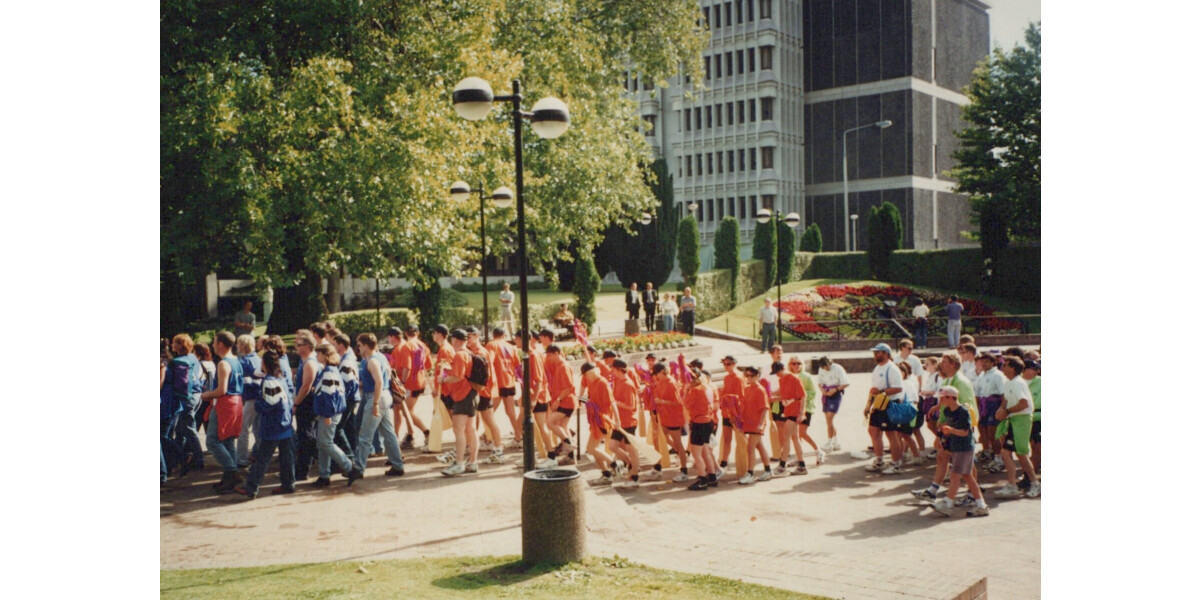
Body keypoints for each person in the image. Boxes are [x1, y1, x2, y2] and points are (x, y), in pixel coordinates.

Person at [233, 351, 296, 499]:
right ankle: (288, 484)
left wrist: (258, 406)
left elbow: (269, 403)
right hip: (285, 422)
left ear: (264, 364)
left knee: (262, 458)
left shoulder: (269, 380)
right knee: (287, 457)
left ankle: (251, 488)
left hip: (274, 424)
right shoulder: (281, 378)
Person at [929, 386, 989, 517]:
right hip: (956, 447)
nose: (941, 401)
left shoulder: (963, 412)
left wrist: (950, 431)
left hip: (964, 447)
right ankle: (981, 505)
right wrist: (943, 436)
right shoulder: (948, 412)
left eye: (943, 398)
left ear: (951, 397)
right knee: (968, 476)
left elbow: (965, 432)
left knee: (955, 475)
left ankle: (948, 503)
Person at [352, 333, 407, 478]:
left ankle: (358, 468)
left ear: (365, 345)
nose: (358, 349)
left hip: (376, 397)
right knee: (388, 433)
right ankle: (397, 465)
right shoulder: (380, 357)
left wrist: (375, 403)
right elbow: (386, 377)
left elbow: (379, 383)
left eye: (359, 346)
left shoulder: (372, 361)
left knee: (365, 435)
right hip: (384, 396)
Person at [199, 331, 245, 493]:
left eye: (214, 342)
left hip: (225, 403)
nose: (212, 345)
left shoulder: (223, 363)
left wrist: (206, 395)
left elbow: (221, 390)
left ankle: (231, 471)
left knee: (212, 440)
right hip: (236, 402)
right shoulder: (236, 361)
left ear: (220, 344)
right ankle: (229, 476)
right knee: (227, 440)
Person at [310, 343, 362, 487]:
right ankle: (324, 475)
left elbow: (329, 395)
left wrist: (326, 414)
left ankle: (350, 468)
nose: (316, 356)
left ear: (325, 355)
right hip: (332, 412)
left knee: (326, 443)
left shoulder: (328, 372)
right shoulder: (331, 370)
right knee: (323, 444)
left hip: (329, 414)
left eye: (318, 353)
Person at [994, 357, 1040, 498]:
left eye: (1006, 365)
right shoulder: (1010, 383)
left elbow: (1024, 403)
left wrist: (1006, 411)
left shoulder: (1017, 383)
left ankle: (1034, 484)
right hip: (1015, 420)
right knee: (1007, 452)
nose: (1003, 367)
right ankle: (1012, 484)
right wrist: (1001, 409)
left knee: (1020, 452)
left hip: (1022, 420)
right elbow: (1006, 399)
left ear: (1013, 368)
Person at [438, 329, 480, 476]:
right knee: (470, 430)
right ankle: (472, 462)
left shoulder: (460, 355)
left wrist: (443, 379)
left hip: (463, 395)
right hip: (472, 394)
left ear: (455, 340)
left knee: (459, 430)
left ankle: (459, 462)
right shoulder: (469, 353)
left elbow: (458, 377)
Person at [863, 343, 904, 474]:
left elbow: (898, 388)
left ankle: (896, 464)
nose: (875, 355)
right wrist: (868, 405)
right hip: (878, 404)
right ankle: (879, 461)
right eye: (875, 352)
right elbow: (873, 389)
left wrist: (881, 391)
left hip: (890, 404)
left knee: (891, 434)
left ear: (886, 353)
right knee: (873, 431)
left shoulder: (892, 368)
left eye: (878, 352)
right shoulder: (877, 368)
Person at [466, 327, 506, 464]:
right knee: (476, 421)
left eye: (469, 337)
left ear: (476, 336)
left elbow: (484, 375)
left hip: (484, 391)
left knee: (489, 420)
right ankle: (474, 447)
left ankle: (498, 449)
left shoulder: (481, 352)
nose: (467, 340)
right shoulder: (474, 351)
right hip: (480, 391)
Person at [169, 334, 206, 477]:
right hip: (197, 397)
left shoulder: (177, 362)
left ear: (180, 345)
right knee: (181, 429)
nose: (172, 345)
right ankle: (179, 457)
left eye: (174, 343)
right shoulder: (193, 359)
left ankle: (198, 459)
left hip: (187, 399)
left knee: (189, 429)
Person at [393, 326, 432, 450]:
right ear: (418, 333)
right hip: (420, 382)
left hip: (410, 384)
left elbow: (407, 367)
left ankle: (426, 432)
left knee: (407, 412)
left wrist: (402, 382)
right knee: (406, 411)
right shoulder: (423, 345)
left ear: (405, 333)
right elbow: (428, 364)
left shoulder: (407, 346)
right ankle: (410, 436)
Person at [580, 363, 619, 485]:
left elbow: (612, 402)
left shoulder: (602, 383)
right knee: (594, 449)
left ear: (591, 372)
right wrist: (581, 400)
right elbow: (592, 399)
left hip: (603, 420)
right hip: (596, 419)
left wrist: (618, 421)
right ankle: (606, 474)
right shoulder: (592, 382)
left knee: (591, 448)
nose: (585, 377)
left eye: (586, 374)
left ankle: (614, 464)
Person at [651, 363, 689, 482]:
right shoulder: (660, 382)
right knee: (659, 438)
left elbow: (678, 402)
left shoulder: (671, 383)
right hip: (665, 416)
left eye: (657, 374)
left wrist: (661, 401)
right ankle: (658, 467)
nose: (656, 376)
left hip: (674, 417)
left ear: (662, 372)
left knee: (678, 443)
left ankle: (684, 470)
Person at [290, 332, 321, 481]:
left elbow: (306, 386)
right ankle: (302, 471)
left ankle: (331, 459)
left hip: (307, 404)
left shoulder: (310, 362)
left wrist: (296, 403)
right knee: (305, 437)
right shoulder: (306, 361)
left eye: (299, 345)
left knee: (307, 436)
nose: (296, 347)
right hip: (306, 403)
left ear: (307, 347)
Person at [737, 365, 773, 485]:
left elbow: (764, 408)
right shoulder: (747, 388)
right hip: (749, 422)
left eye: (752, 376)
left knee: (750, 447)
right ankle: (768, 470)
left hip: (757, 423)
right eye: (747, 375)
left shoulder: (760, 390)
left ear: (757, 376)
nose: (749, 378)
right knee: (759, 447)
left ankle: (750, 473)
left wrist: (760, 423)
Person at [683, 366, 718, 490]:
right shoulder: (707, 387)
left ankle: (702, 479)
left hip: (699, 422)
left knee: (696, 453)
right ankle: (712, 477)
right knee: (705, 451)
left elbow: (685, 403)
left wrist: (686, 390)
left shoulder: (695, 390)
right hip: (708, 421)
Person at [488, 327, 523, 448]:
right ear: (504, 335)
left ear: (494, 335)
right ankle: (518, 436)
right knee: (511, 412)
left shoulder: (491, 345)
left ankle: (488, 437)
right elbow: (517, 365)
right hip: (509, 380)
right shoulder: (511, 347)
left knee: (488, 411)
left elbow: (489, 361)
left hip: (497, 382)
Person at [610, 359, 642, 488]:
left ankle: (634, 477)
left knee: (632, 450)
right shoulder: (618, 381)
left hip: (629, 422)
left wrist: (617, 403)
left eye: (613, 369)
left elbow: (631, 406)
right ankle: (630, 464)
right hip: (619, 422)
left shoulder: (628, 384)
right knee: (612, 446)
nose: (611, 371)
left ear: (618, 369)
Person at [973, 352, 1007, 473]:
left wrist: (1002, 408)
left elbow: (1004, 394)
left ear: (993, 363)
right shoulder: (981, 375)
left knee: (994, 433)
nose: (984, 364)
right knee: (982, 430)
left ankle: (999, 458)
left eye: (987, 361)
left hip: (994, 404)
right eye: (982, 361)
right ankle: (987, 452)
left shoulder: (998, 375)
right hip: (983, 405)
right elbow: (977, 392)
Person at [235, 335, 263, 468]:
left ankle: (241, 458)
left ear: (242, 346)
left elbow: (245, 383)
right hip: (260, 397)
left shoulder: (244, 361)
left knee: (243, 429)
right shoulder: (257, 358)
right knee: (257, 429)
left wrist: (243, 399)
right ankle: (261, 455)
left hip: (250, 398)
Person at [332, 333, 360, 455]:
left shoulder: (346, 361)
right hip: (351, 398)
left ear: (341, 346)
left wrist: (342, 400)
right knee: (349, 427)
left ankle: (349, 455)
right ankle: (353, 451)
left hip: (348, 399)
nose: (332, 347)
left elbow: (348, 383)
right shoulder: (345, 359)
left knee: (338, 428)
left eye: (334, 344)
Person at [717, 355, 745, 477]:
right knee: (727, 438)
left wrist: (736, 414)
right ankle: (724, 462)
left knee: (741, 439)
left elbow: (741, 397)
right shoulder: (727, 377)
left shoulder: (739, 378)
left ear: (734, 364)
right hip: (727, 412)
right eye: (725, 364)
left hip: (736, 413)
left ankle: (745, 461)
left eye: (728, 364)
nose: (726, 366)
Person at [817, 356, 850, 452]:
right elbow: (820, 381)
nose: (826, 368)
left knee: (829, 418)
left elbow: (846, 383)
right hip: (826, 393)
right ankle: (836, 442)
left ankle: (829, 443)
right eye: (824, 367)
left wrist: (835, 390)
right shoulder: (821, 369)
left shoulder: (838, 368)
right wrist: (822, 389)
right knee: (828, 421)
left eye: (827, 366)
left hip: (835, 393)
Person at [915, 356, 942, 458]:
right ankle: (940, 443)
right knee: (931, 425)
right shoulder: (930, 376)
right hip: (928, 401)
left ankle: (941, 444)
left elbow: (939, 391)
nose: (925, 366)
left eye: (928, 364)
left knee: (934, 424)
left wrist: (927, 392)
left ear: (935, 365)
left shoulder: (937, 376)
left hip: (934, 402)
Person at [1022, 360, 1042, 474]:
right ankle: (1029, 472)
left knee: (1037, 446)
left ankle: (1032, 473)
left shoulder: (1041, 382)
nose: (1029, 371)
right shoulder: (1018, 382)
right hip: (1022, 418)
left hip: (1039, 418)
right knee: (1024, 448)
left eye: (1033, 369)